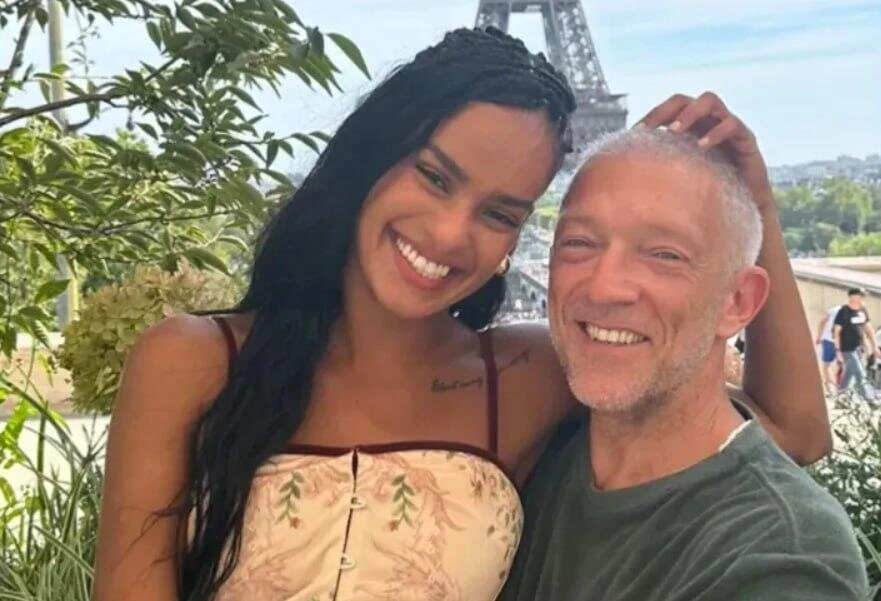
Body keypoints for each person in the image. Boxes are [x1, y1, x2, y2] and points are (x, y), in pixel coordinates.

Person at [91, 29, 830, 601]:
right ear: (370, 158)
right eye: (435, 176)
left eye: (499, 213)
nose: (449, 235)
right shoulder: (190, 361)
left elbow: (793, 431)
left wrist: (754, 208)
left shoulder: (528, 374)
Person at [500, 107, 866, 601]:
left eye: (664, 255)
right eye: (579, 242)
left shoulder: (784, 555)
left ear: (738, 302)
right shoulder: (538, 434)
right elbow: (800, 431)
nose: (605, 286)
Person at [834, 287, 879, 404]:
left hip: (860, 349)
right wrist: (838, 351)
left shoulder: (863, 310)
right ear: (852, 297)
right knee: (859, 373)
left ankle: (840, 396)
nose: (863, 298)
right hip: (847, 349)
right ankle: (869, 399)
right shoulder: (843, 311)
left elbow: (869, 329)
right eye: (861, 295)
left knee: (849, 374)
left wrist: (874, 347)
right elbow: (836, 332)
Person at [816, 303, 844, 394]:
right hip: (831, 341)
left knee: (827, 366)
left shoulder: (834, 309)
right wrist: (819, 336)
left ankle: (832, 387)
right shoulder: (836, 310)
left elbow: (822, 321)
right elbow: (822, 321)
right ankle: (831, 386)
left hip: (831, 341)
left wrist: (819, 336)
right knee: (836, 365)